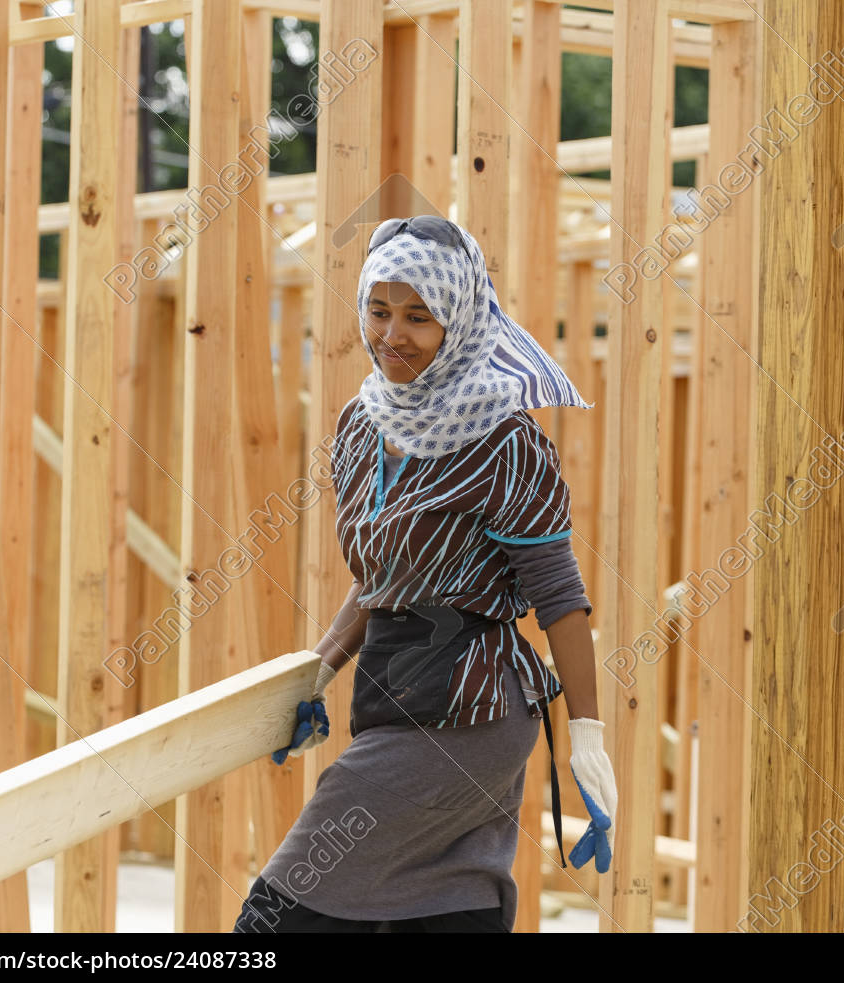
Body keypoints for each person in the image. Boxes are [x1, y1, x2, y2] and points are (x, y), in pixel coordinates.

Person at [234, 216, 618, 933]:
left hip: (471, 708)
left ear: (460, 319)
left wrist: (588, 736)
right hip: (393, 685)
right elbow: (387, 575)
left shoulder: (507, 440)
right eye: (379, 310)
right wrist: (320, 669)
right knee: (443, 907)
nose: (392, 334)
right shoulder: (361, 422)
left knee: (278, 915)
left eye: (419, 316)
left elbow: (559, 599)